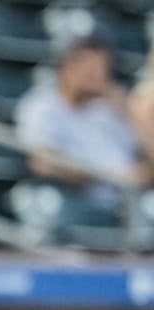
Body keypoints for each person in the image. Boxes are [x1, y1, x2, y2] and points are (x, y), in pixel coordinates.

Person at [17, 37, 149, 204]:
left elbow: (145, 158)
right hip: (78, 204)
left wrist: (129, 112)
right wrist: (107, 176)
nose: (98, 78)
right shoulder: (41, 107)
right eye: (90, 71)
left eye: (102, 70)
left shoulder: (107, 111)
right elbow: (43, 163)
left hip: (129, 204)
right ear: (67, 69)